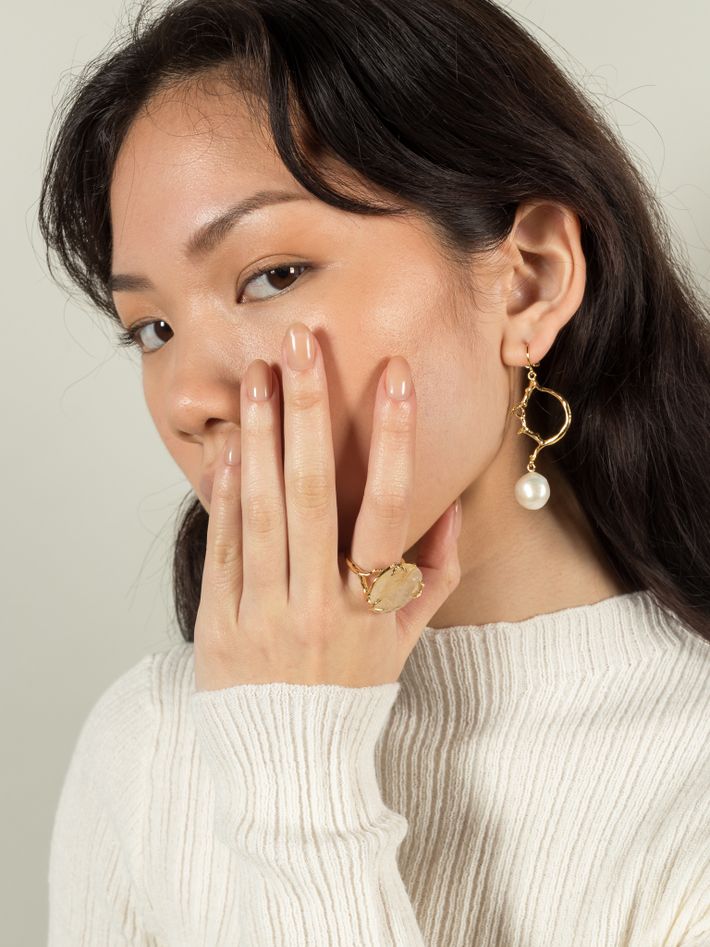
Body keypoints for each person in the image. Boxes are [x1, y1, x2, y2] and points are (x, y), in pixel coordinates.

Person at [39, 0, 710, 943]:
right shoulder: (149, 747)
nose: (191, 394)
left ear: (529, 277)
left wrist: (302, 779)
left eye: (271, 275)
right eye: (154, 328)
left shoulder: (690, 783)